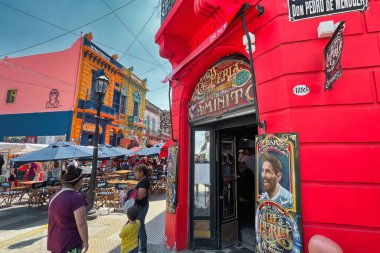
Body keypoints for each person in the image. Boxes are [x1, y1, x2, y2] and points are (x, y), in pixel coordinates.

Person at [47, 164, 89, 253]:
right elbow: (81, 223)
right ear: (78, 182)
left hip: (55, 241)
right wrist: (85, 242)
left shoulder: (54, 196)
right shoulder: (77, 198)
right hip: (71, 243)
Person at [133, 164, 151, 253]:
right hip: (141, 206)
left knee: (140, 227)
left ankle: (143, 250)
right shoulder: (143, 180)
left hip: (141, 206)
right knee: (139, 227)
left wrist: (129, 193)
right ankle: (138, 247)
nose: (134, 174)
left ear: (141, 172)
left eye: (136, 172)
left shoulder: (144, 182)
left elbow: (139, 196)